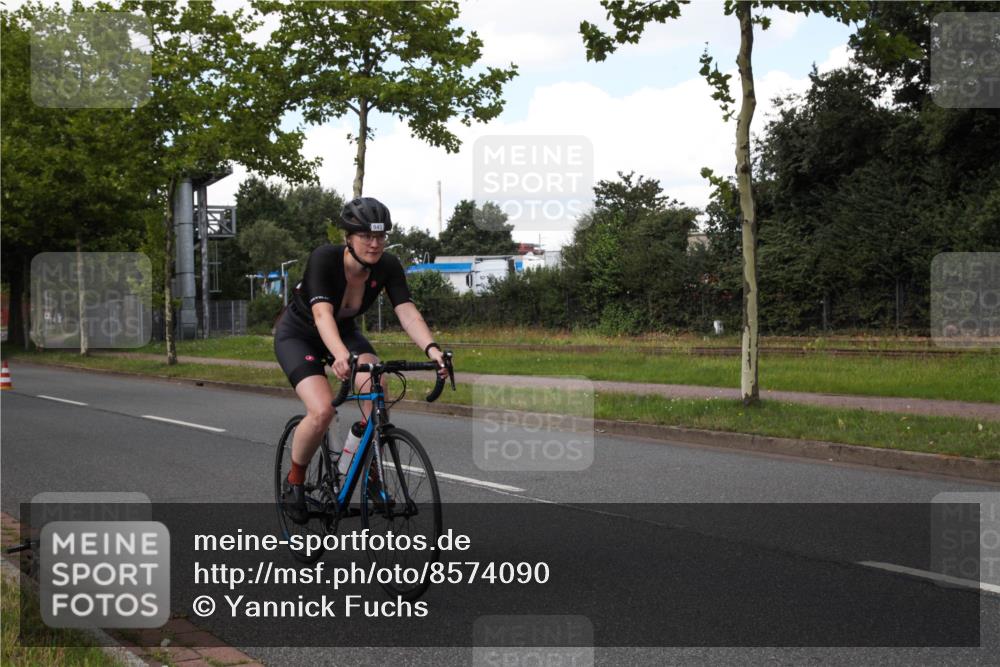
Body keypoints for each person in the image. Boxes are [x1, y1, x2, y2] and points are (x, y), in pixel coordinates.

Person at [274, 196, 447, 523]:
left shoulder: (388, 266)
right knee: (323, 410)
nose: (375, 243)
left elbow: (406, 312)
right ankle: (294, 480)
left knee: (376, 385)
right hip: (300, 334)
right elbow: (322, 315)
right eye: (366, 235)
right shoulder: (324, 260)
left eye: (381, 236)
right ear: (348, 238)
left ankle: (371, 476)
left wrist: (432, 349)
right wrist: (340, 355)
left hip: (345, 331)